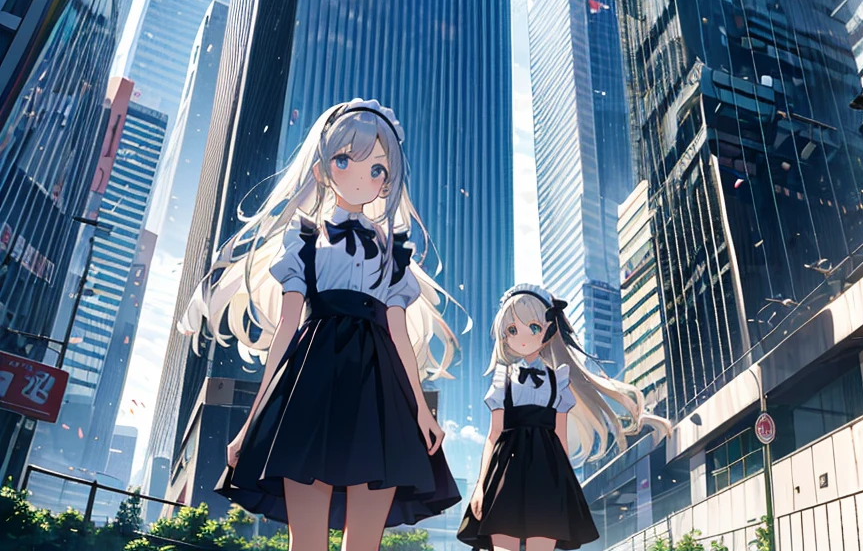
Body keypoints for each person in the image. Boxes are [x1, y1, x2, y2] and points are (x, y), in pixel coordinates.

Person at [181, 99, 462, 551]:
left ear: (388, 182)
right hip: (310, 383)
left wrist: (421, 411)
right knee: (306, 542)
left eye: (377, 170)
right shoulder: (303, 242)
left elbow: (400, 335)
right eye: (345, 160)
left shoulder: (393, 249)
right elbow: (284, 335)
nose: (360, 177)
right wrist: (251, 421)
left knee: (363, 544)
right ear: (321, 170)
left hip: (377, 388)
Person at [458, 284, 669, 551]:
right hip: (505, 472)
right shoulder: (503, 378)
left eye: (533, 327)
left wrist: (566, 488)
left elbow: (560, 438)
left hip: (547, 472)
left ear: (548, 330)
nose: (522, 337)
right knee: (502, 544)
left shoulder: (558, 381)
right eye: (512, 330)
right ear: (504, 335)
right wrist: (480, 486)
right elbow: (493, 435)